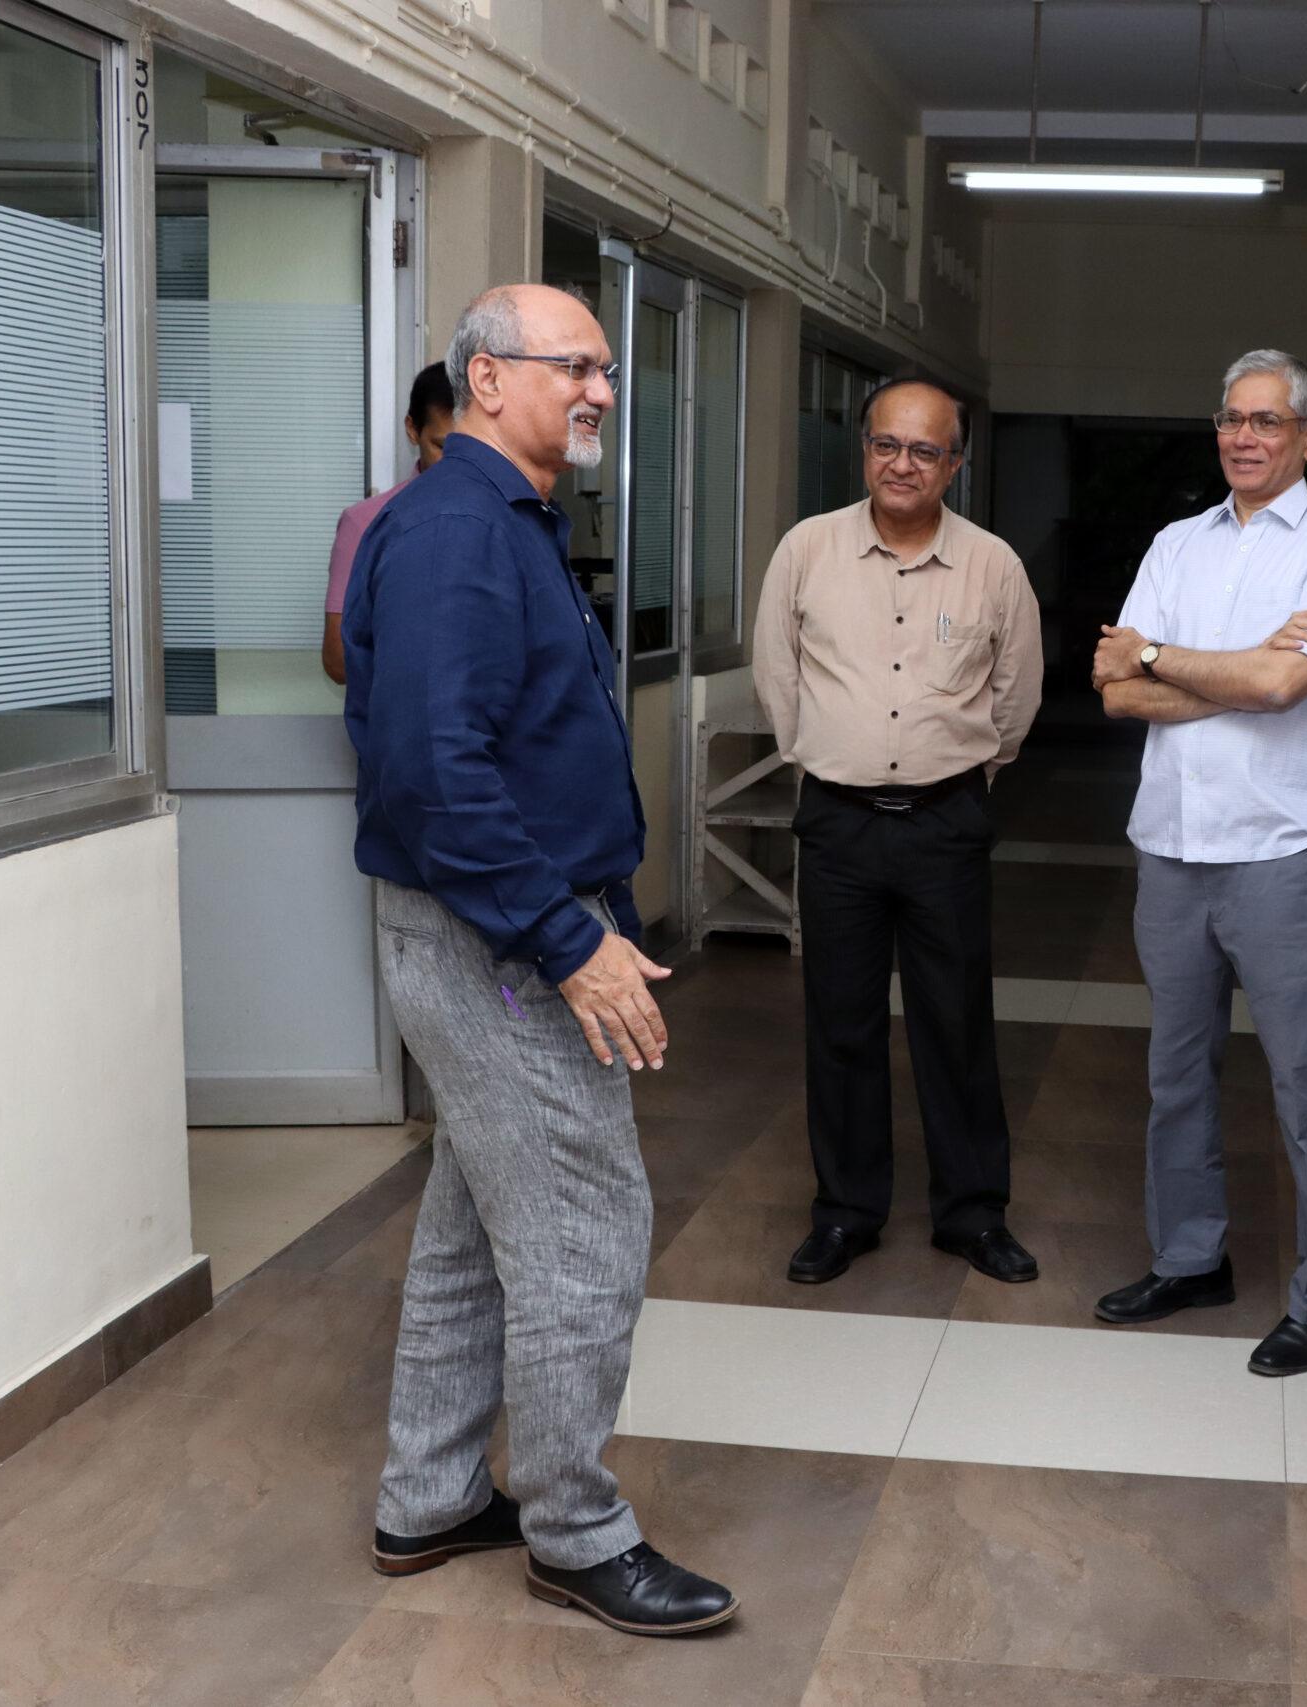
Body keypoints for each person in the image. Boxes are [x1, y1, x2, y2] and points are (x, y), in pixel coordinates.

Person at [344, 284, 735, 1637]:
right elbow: (435, 774)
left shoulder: (503, 518)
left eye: (605, 370)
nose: (602, 392)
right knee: (584, 1224)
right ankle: (575, 1530)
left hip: (500, 924)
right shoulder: (456, 533)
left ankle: (431, 1494)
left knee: (472, 1225)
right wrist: (571, 940)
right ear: (489, 377)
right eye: (577, 366)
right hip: (500, 938)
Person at [1091, 349, 1307, 1377]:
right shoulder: (1175, 544)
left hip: (1282, 853)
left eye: (1267, 421)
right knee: (1176, 1074)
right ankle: (1189, 1259)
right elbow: (1114, 690)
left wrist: (1162, 656)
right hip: (1170, 848)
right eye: (1230, 418)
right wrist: (1247, 663)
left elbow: (1280, 687)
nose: (1243, 437)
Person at [753, 379, 1044, 1287]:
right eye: (886, 444)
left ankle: (972, 1213)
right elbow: (778, 677)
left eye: (924, 450)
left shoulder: (993, 565)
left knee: (956, 1023)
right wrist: (826, 757)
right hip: (837, 824)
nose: (902, 464)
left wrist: (958, 774)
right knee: (839, 1022)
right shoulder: (806, 550)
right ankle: (846, 1212)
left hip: (944, 823)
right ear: (864, 450)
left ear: (955, 463)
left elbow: (1015, 698)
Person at [324, 361, 455, 683]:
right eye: (441, 446)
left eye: (472, 448)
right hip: (399, 713)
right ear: (412, 429)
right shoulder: (365, 523)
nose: (457, 463)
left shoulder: (512, 519)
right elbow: (338, 661)